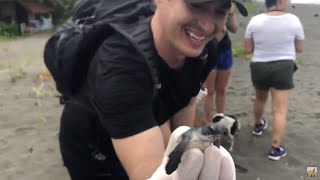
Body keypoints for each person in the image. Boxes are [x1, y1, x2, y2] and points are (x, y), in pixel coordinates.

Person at [59, 0, 248, 180]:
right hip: (94, 149)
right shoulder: (121, 66)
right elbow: (147, 171)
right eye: (196, 5)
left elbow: (185, 104)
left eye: (220, 11)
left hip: (142, 118)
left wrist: (187, 150)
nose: (207, 26)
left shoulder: (204, 51)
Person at [244, 0, 304, 160]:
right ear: (280, 1)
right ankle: (275, 148)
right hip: (283, 66)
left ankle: (257, 126)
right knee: (280, 109)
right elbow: (300, 48)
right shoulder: (293, 20)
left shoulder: (255, 21)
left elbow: (248, 49)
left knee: (260, 98)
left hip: (259, 65)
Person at [202, 5, 239, 123]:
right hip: (209, 49)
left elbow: (234, 28)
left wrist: (231, 14)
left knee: (221, 89)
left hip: (225, 50)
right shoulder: (206, 6)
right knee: (210, 90)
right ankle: (208, 122)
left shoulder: (225, 7)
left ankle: (220, 120)